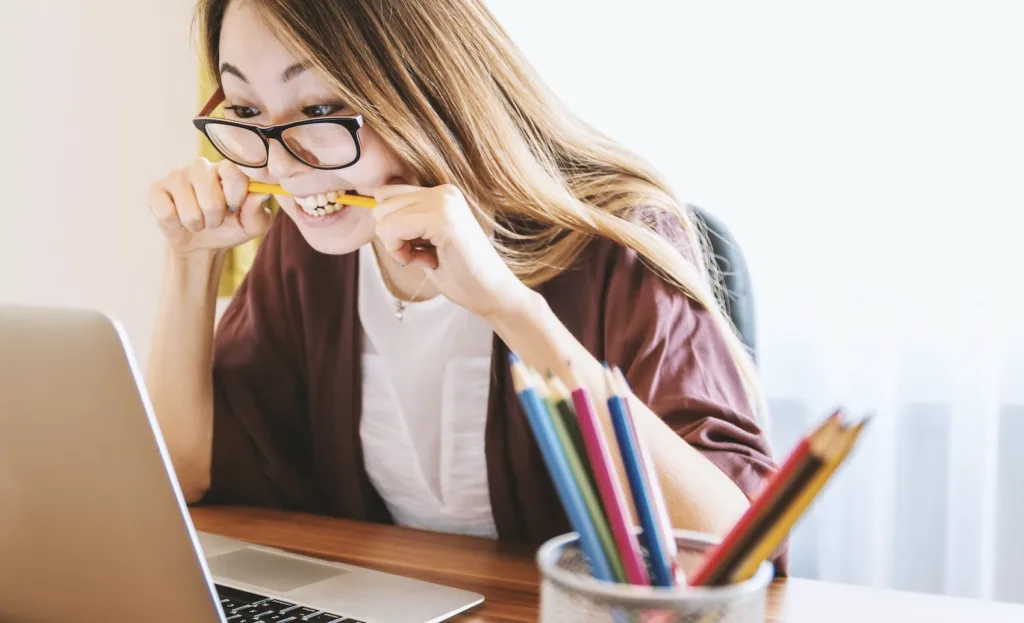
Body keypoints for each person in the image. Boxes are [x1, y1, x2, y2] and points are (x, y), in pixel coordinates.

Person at [147, 0, 784, 569]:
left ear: (427, 89)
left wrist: (509, 308)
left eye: (321, 109)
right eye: (248, 111)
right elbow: (184, 474)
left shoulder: (618, 242)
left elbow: (732, 548)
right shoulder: (311, 247)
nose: (281, 164)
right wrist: (191, 262)